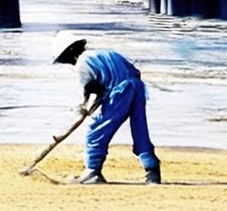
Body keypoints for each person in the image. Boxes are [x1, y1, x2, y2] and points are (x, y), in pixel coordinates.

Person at [51, 30, 161, 184]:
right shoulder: (106, 53)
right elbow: (135, 73)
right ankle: (152, 170)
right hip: (137, 88)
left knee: (96, 131)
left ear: (70, 52)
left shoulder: (83, 62)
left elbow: (88, 89)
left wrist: (84, 107)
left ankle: (92, 171)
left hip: (119, 92)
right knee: (139, 129)